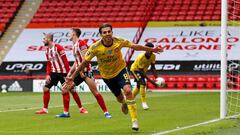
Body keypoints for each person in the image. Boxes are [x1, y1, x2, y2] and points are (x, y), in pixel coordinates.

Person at [63, 23, 162, 131]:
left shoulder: (118, 41)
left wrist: (153, 50)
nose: (107, 34)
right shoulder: (95, 47)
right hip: (107, 76)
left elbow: (135, 46)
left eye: (109, 31)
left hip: (120, 70)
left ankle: (134, 121)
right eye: (104, 32)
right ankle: (124, 103)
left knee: (128, 91)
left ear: (112, 32)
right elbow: (84, 63)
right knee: (120, 98)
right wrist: (72, 77)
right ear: (101, 34)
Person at [56, 28, 111, 119]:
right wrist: (70, 72)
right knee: (64, 89)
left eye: (70, 33)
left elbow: (86, 58)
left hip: (85, 72)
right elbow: (76, 62)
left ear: (74, 34)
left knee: (95, 93)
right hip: (78, 73)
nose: (69, 35)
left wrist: (82, 71)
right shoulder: (74, 45)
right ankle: (66, 113)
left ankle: (106, 112)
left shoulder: (81, 43)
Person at [35, 34, 88, 115]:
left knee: (71, 90)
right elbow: (49, 63)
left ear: (49, 39)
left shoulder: (58, 47)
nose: (43, 40)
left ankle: (81, 108)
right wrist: (48, 74)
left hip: (63, 73)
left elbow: (65, 61)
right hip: (54, 72)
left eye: (44, 38)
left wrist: (68, 74)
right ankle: (45, 109)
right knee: (45, 88)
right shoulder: (47, 50)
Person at [130, 42, 162, 110]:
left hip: (142, 71)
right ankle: (144, 103)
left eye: (151, 49)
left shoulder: (153, 56)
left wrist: (157, 79)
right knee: (142, 83)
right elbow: (141, 71)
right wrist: (151, 81)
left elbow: (153, 68)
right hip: (135, 70)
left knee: (139, 86)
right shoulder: (141, 57)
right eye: (147, 49)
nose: (149, 50)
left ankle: (129, 99)